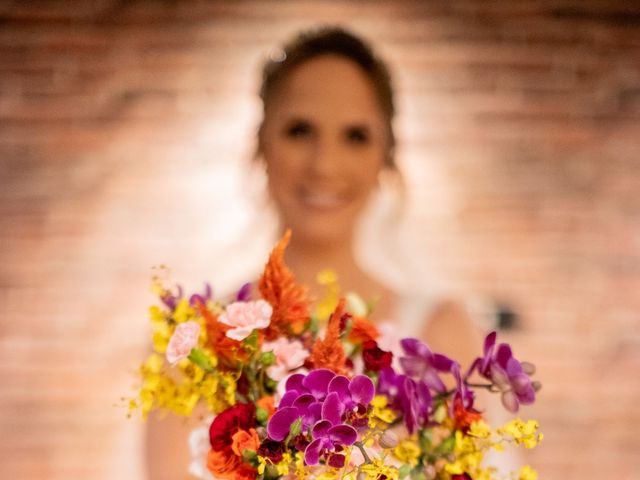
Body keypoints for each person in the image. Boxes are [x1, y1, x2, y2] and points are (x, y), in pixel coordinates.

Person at [145, 26, 482, 480]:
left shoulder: (441, 332)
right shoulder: (200, 345)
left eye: (355, 136)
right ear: (261, 142)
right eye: (300, 130)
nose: (325, 165)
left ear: (386, 155)